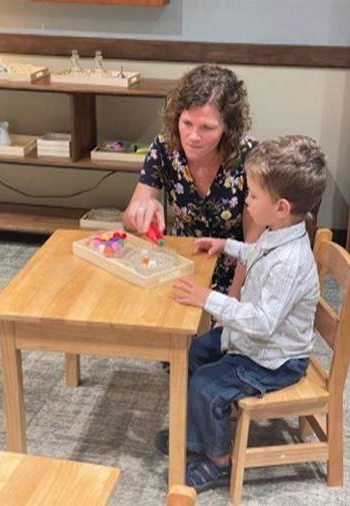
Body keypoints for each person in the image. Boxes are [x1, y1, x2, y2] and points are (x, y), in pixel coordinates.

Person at [165, 135, 327, 493]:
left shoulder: (290, 261)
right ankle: (197, 436)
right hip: (252, 343)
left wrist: (209, 299)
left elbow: (263, 322)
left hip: (273, 359)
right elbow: (257, 255)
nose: (246, 200)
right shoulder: (278, 233)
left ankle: (218, 461)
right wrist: (228, 246)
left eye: (252, 195)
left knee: (207, 385)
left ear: (281, 206)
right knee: (192, 353)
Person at [123, 64, 262, 298]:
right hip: (182, 262)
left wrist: (230, 302)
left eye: (207, 127)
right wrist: (142, 212)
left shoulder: (249, 156)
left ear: (228, 128)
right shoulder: (164, 147)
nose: (193, 136)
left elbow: (252, 246)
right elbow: (127, 220)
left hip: (236, 274)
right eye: (187, 123)